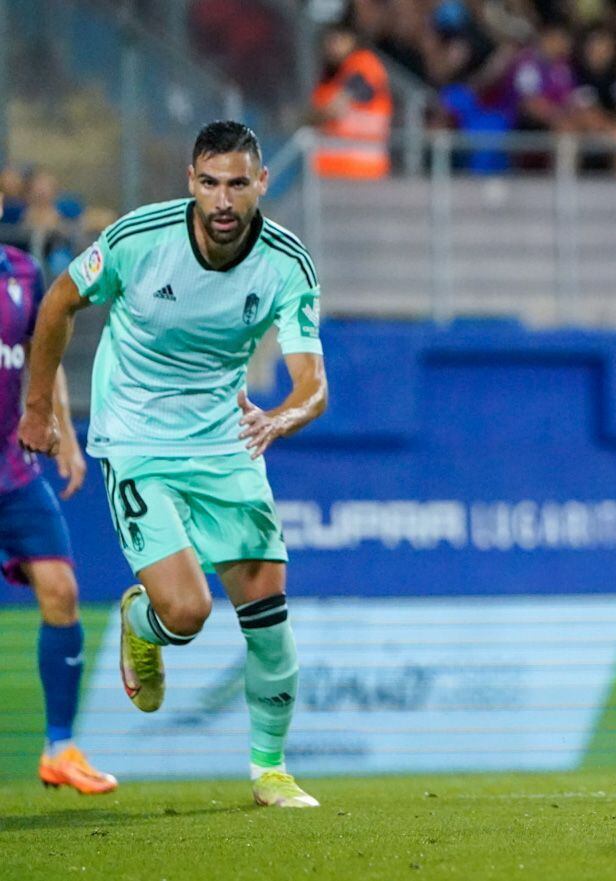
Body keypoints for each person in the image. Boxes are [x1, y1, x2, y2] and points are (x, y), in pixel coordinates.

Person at [18, 121, 329, 806]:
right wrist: (39, 407)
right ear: (191, 181)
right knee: (186, 612)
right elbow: (59, 302)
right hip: (134, 439)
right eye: (210, 183)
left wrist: (280, 417)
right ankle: (141, 624)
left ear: (261, 184)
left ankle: (270, 771)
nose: (223, 200)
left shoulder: (285, 263)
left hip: (225, 441)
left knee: (269, 617)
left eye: (237, 184)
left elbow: (314, 383)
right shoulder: (140, 239)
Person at [0, 192, 115, 794]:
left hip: (12, 471)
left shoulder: (22, 273)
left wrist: (65, 435)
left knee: (61, 587)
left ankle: (60, 749)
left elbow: (43, 361)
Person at [310, 21, 392, 180]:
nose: (332, 45)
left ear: (352, 40)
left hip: (363, 173)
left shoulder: (364, 64)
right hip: (330, 175)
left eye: (338, 39)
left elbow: (334, 109)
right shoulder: (330, 78)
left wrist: (302, 119)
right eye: (330, 39)